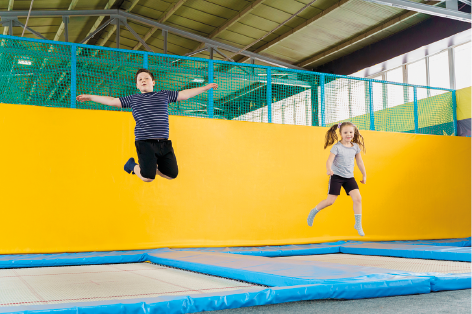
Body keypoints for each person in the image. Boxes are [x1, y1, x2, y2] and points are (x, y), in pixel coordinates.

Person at [76, 68, 218, 182]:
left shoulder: (164, 95)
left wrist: (205, 88)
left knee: (171, 174)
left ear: (153, 82)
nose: (143, 80)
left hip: (163, 143)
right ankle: (131, 165)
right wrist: (90, 97)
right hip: (145, 142)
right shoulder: (133, 99)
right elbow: (112, 101)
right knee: (147, 177)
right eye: (140, 79)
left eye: (146, 78)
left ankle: (149, 166)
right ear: (137, 85)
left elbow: (184, 94)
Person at [307, 122, 367, 236]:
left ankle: (358, 224)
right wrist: (329, 169)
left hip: (349, 177)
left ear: (354, 133)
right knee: (330, 201)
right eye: (345, 132)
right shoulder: (337, 147)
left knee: (358, 198)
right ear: (340, 134)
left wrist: (364, 175)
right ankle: (313, 211)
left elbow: (359, 162)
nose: (348, 134)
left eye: (351, 132)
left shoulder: (355, 147)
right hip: (337, 176)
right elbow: (329, 160)